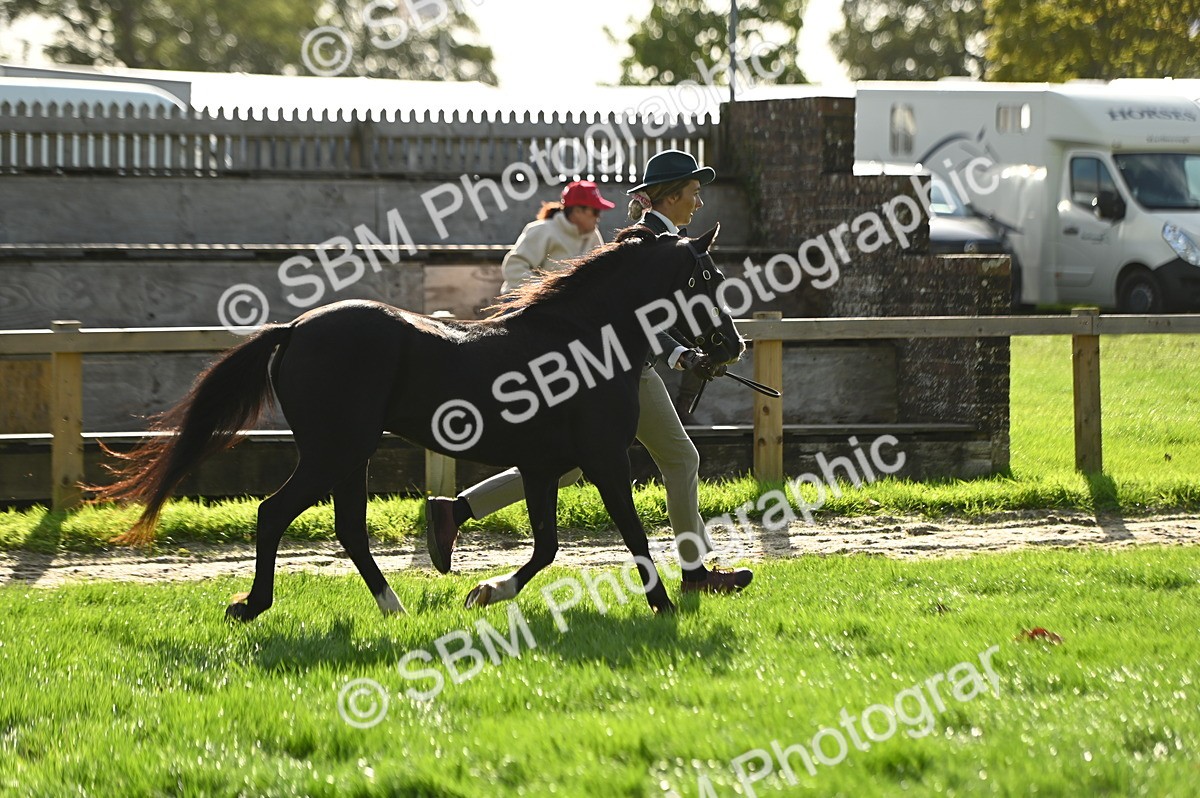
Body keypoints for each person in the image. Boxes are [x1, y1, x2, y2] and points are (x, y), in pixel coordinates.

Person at [425, 150, 752, 594]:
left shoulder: (657, 242)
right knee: (681, 459)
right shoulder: (648, 245)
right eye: (693, 194)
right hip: (623, 372)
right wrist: (678, 355)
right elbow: (639, 318)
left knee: (568, 464)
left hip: (614, 367)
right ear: (670, 196)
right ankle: (695, 575)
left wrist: (688, 351)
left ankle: (456, 510)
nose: (698, 203)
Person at [499, 180, 614, 294]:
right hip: (522, 303)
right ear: (578, 211)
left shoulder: (593, 235)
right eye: (595, 211)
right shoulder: (542, 230)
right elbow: (514, 267)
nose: (598, 217)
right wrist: (545, 292)